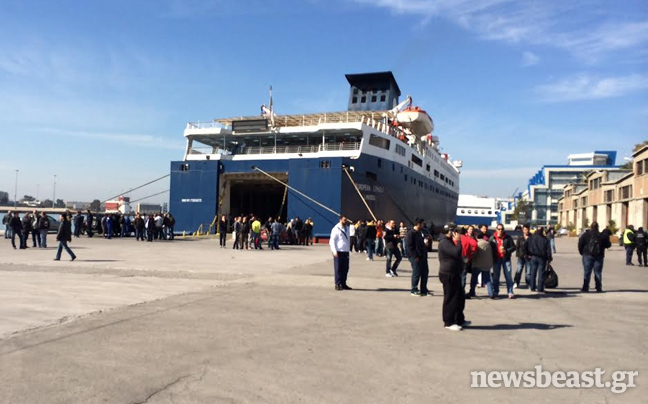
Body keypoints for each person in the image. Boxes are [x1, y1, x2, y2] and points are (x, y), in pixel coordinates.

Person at [438, 223, 467, 331]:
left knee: (459, 297)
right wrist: (459, 241)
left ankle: (458, 319)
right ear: (449, 231)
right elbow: (456, 252)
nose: (457, 233)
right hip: (448, 273)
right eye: (455, 231)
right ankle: (448, 322)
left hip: (454, 272)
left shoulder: (448, 241)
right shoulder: (444, 242)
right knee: (450, 298)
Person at [578, 222, 611, 292]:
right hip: (599, 256)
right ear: (598, 227)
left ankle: (585, 287)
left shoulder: (585, 235)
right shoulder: (601, 235)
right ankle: (598, 287)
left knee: (587, 272)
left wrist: (582, 252)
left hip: (587, 255)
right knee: (598, 272)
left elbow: (580, 244)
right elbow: (608, 245)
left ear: (591, 227)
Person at [488, 224, 516, 299]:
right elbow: (489, 248)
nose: (500, 230)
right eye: (499, 229)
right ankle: (496, 291)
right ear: (496, 229)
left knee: (508, 276)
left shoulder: (508, 237)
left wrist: (506, 251)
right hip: (496, 259)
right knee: (496, 277)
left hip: (506, 259)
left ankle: (510, 291)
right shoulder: (492, 238)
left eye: (502, 229)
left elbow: (513, 247)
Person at [407, 218, 431, 296]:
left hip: (422, 256)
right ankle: (414, 289)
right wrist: (415, 256)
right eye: (422, 224)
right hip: (415, 257)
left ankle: (424, 290)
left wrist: (425, 245)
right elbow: (409, 247)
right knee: (416, 273)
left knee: (425, 272)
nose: (423, 225)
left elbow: (420, 244)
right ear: (418, 224)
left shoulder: (419, 232)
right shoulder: (411, 233)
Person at [526, 227, 553, 293]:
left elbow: (526, 246)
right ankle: (540, 288)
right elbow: (548, 250)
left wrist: (527, 254)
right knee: (541, 273)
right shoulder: (545, 239)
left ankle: (532, 287)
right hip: (542, 258)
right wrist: (549, 258)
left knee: (533, 272)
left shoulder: (531, 238)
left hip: (533, 257)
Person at [329, 215, 352, 290]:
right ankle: (337, 284)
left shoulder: (347, 228)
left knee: (345, 268)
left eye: (346, 220)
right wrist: (334, 251)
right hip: (338, 251)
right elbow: (332, 241)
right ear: (340, 220)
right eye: (344, 220)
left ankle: (343, 283)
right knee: (338, 268)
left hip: (345, 251)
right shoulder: (336, 229)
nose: (345, 222)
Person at [469, 233, 494, 298]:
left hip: (478, 264)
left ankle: (472, 292)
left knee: (474, 279)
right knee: (487, 279)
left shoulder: (477, 244)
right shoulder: (488, 243)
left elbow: (474, 253)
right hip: (486, 264)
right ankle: (491, 293)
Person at [460, 226, 478, 298]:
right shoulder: (467, 238)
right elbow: (475, 244)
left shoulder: (456, 238)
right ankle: (462, 291)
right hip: (466, 258)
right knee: (463, 276)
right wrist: (472, 252)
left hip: (457, 258)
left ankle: (458, 291)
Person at [514, 224, 531, 289]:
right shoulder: (520, 237)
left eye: (527, 229)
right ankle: (516, 282)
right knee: (519, 270)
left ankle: (528, 283)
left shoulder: (531, 237)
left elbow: (533, 247)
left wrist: (531, 255)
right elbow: (517, 246)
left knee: (528, 271)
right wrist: (518, 254)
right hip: (521, 257)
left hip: (529, 257)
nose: (526, 231)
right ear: (523, 230)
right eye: (525, 229)